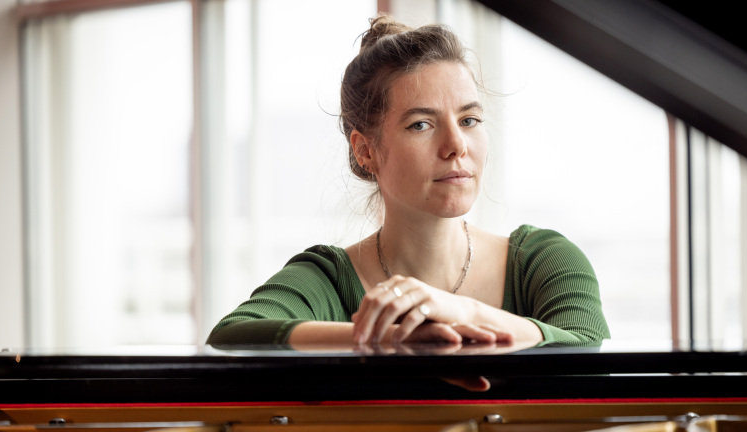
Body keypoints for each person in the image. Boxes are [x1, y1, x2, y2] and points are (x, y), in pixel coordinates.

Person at [207, 15, 610, 353]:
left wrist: (465, 313)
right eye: (421, 124)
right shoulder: (329, 278)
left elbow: (587, 349)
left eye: (469, 120)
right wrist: (389, 339)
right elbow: (230, 337)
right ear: (365, 151)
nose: (456, 146)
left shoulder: (543, 261)